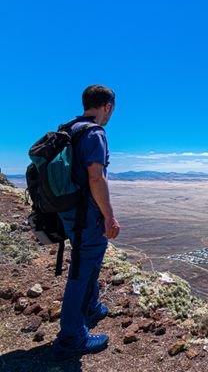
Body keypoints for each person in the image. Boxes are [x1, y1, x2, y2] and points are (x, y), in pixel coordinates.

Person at [53, 84, 120, 360]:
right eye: (112, 109)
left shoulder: (69, 129)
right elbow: (96, 177)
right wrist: (109, 216)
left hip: (69, 211)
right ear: (107, 107)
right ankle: (71, 337)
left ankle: (90, 307)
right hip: (86, 215)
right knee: (81, 270)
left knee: (88, 261)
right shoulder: (94, 133)